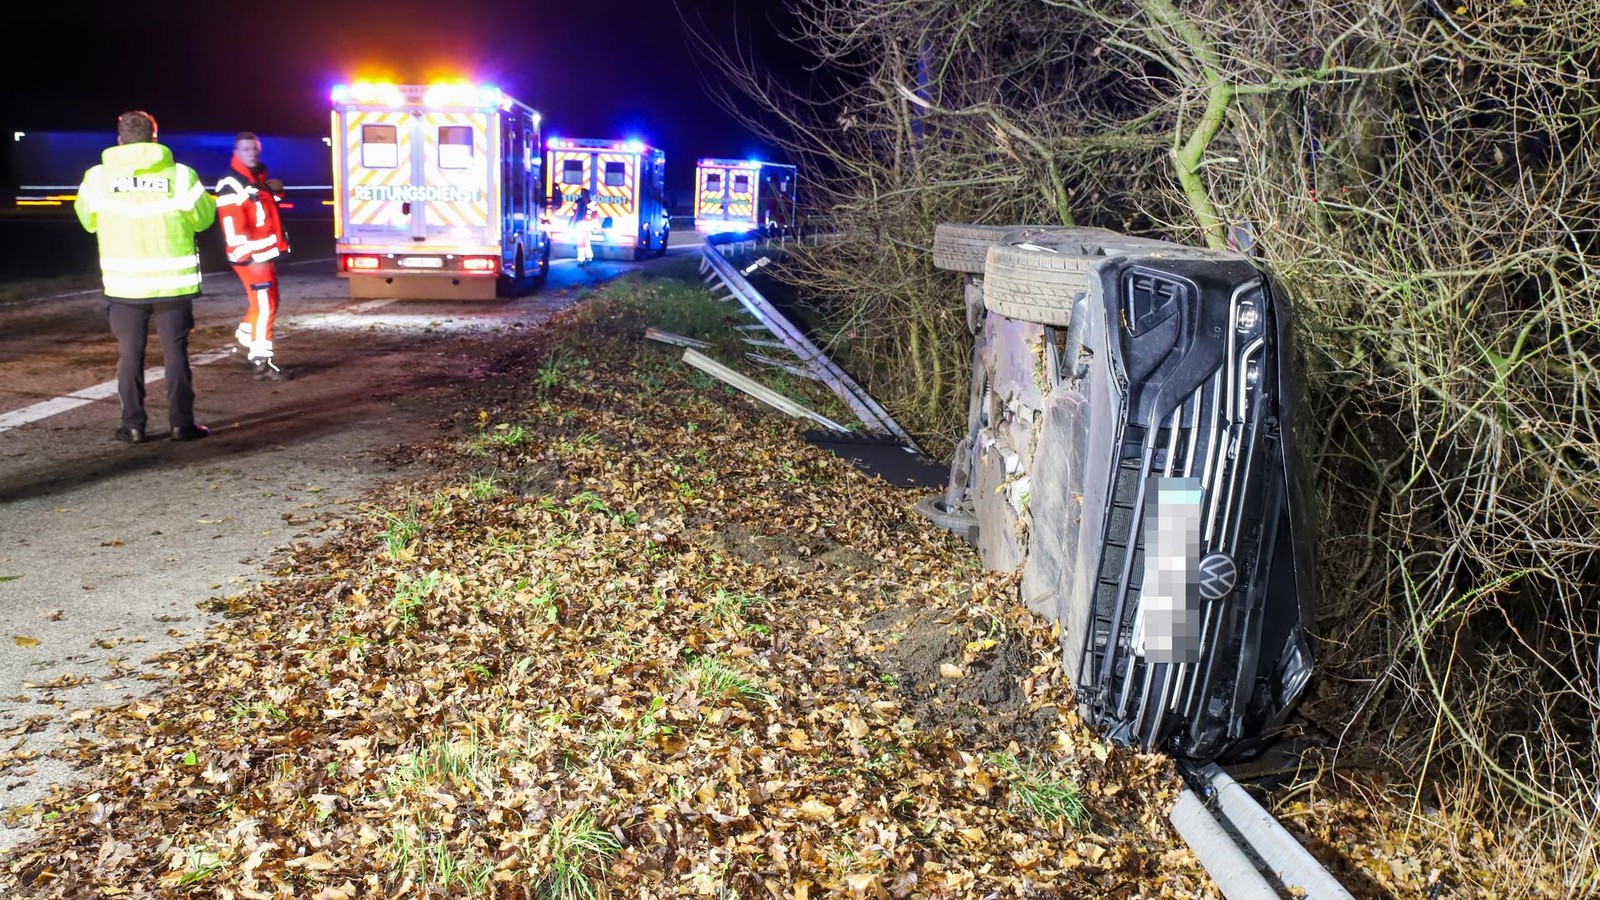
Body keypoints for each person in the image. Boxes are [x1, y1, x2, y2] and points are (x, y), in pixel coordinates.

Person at [74, 111, 215, 444]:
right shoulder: (180, 176)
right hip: (173, 284)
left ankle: (133, 426)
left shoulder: (96, 178)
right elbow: (204, 219)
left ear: (119, 138)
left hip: (124, 286)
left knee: (129, 357)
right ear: (155, 136)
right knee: (176, 354)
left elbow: (88, 221)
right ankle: (182, 425)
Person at [216, 132, 291, 381]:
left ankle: (243, 348)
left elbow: (263, 211)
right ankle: (262, 361)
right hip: (253, 258)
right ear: (236, 153)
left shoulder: (256, 179)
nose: (252, 153)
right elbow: (232, 228)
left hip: (263, 255)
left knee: (267, 303)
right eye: (247, 149)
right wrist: (249, 256)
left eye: (255, 149)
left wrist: (276, 193)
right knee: (265, 306)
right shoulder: (232, 183)